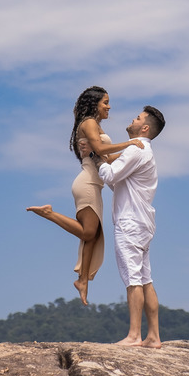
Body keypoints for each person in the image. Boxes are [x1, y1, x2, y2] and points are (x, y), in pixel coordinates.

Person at [27, 86, 144, 305]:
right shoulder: (89, 123)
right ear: (94, 104)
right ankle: (49, 214)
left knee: (94, 235)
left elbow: (107, 158)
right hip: (88, 183)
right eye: (106, 102)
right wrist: (129, 143)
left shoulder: (94, 125)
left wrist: (133, 153)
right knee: (89, 233)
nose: (109, 107)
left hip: (94, 185)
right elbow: (100, 150)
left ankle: (83, 281)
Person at [98, 105, 165, 348]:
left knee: (133, 279)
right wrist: (106, 162)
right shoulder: (144, 152)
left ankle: (135, 335)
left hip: (130, 223)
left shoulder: (135, 149)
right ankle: (154, 336)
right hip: (143, 222)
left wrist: (97, 158)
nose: (132, 120)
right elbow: (120, 185)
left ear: (144, 128)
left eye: (137, 118)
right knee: (146, 278)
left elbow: (110, 176)